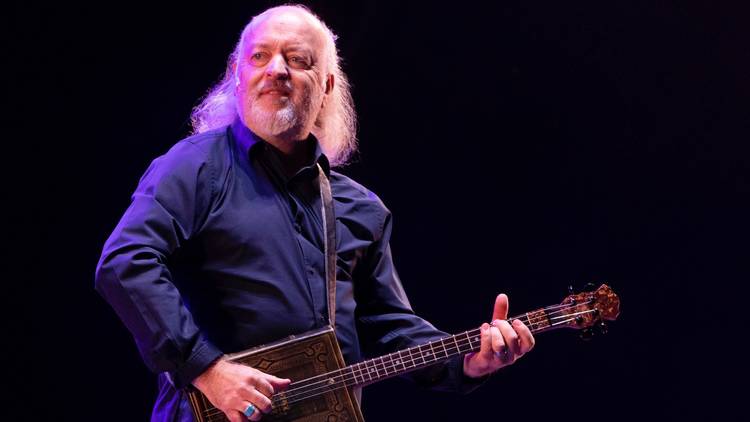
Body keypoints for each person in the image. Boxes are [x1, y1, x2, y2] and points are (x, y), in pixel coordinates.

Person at [95, 5, 535, 421]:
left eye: (297, 59)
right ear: (237, 74)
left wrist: (471, 361)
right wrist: (207, 369)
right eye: (259, 56)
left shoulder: (361, 210)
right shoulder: (195, 167)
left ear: (325, 84)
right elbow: (125, 263)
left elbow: (392, 326)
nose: (276, 69)